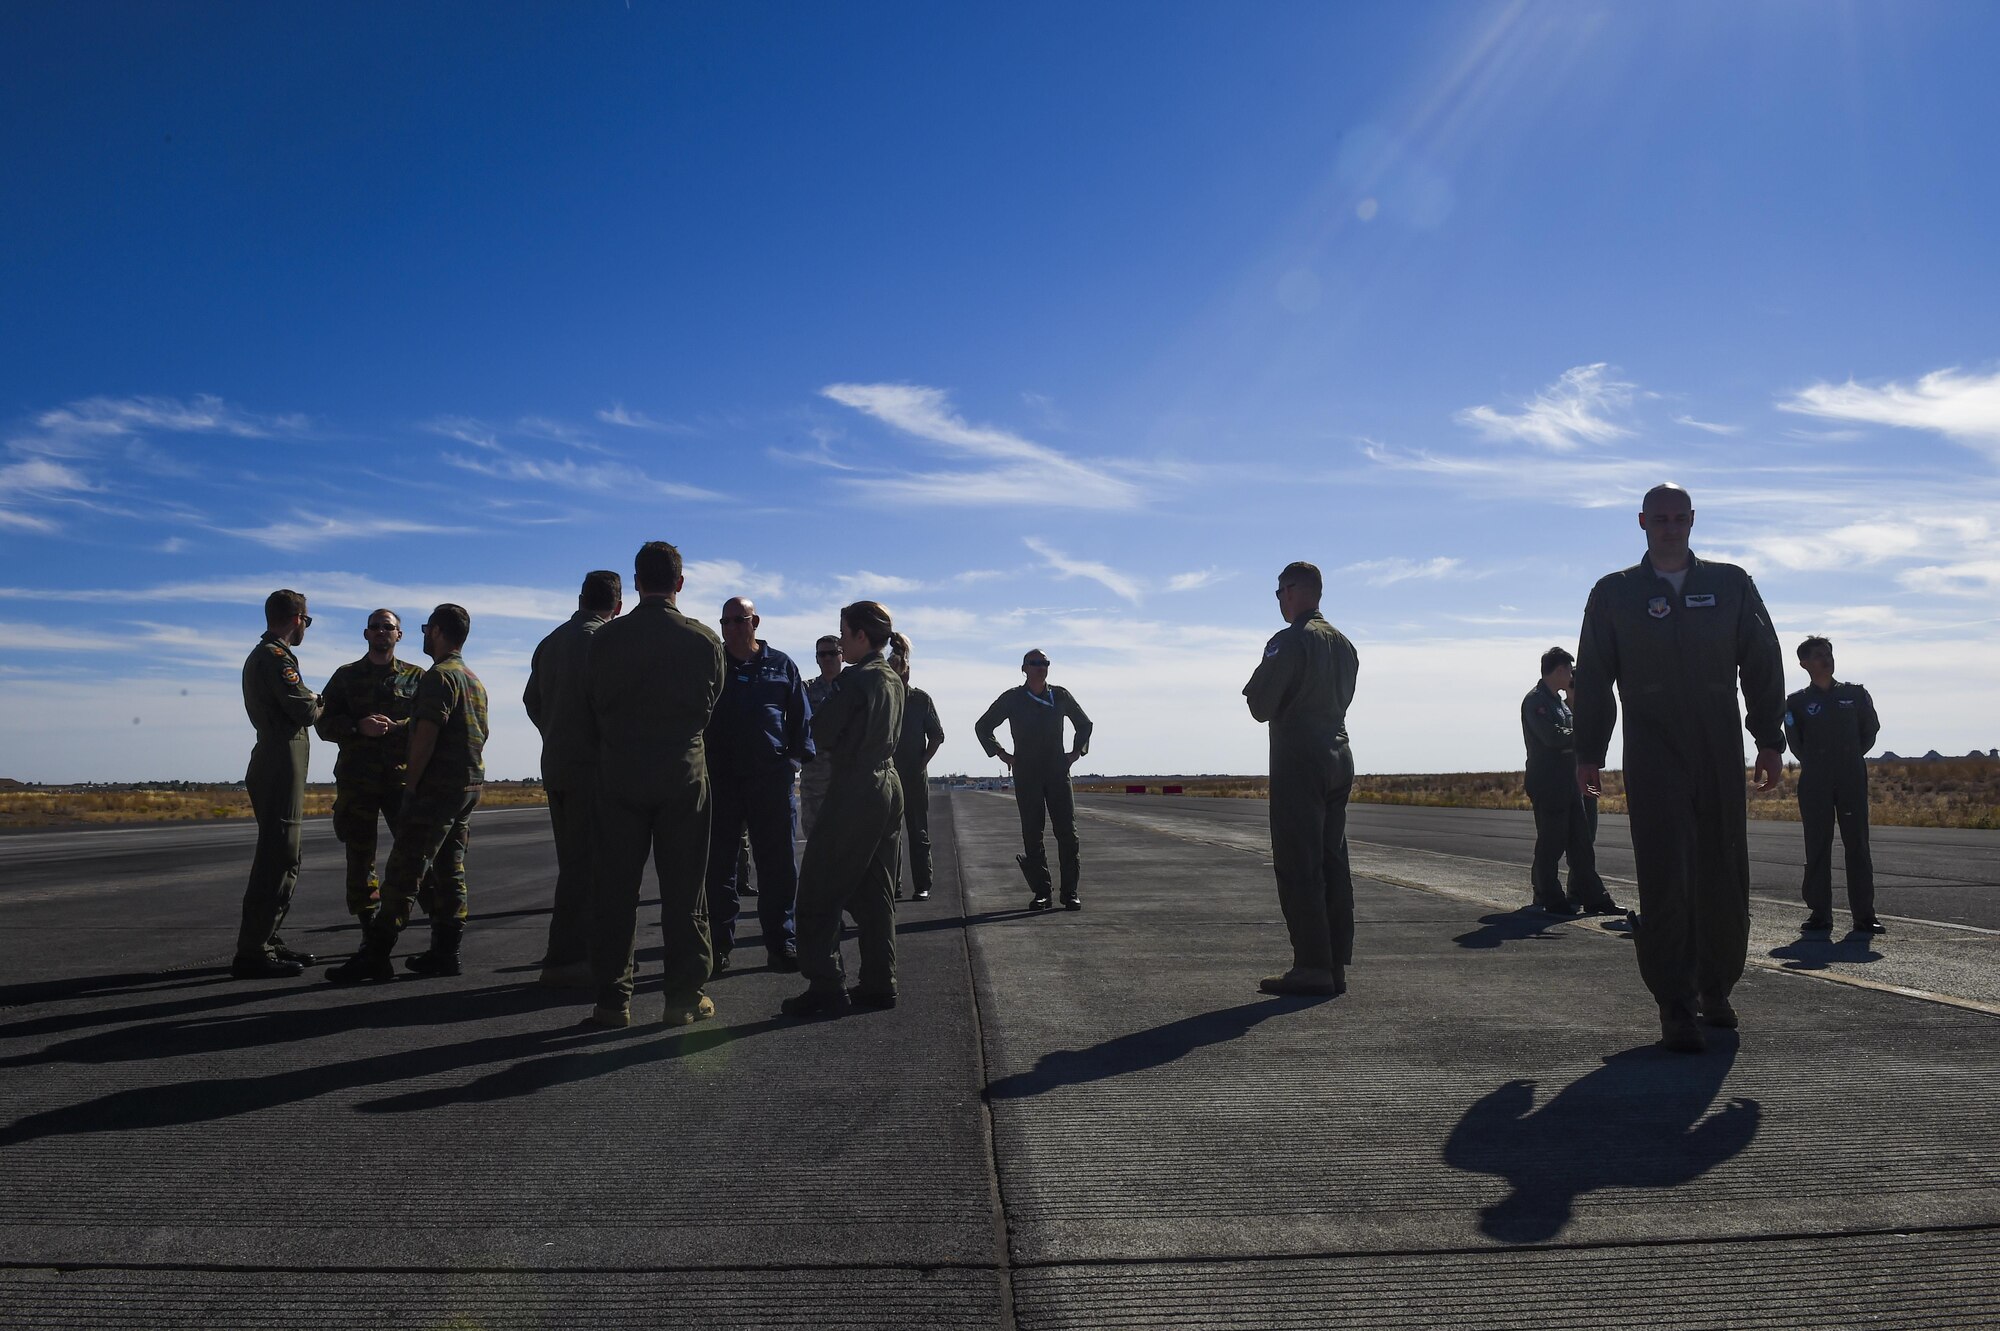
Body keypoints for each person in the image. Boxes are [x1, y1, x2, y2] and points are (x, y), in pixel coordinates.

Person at [1572, 483, 1786, 1053]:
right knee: (1666, 875)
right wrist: (1588, 752)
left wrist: (1769, 739)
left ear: (1693, 520)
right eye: (1660, 518)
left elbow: (1762, 661)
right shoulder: (1614, 593)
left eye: (1679, 518)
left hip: (1718, 748)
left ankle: (1716, 990)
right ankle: (1674, 1002)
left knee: (1724, 871)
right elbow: (1592, 677)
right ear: (1641, 522)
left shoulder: (1730, 584)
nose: (1670, 526)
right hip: (1653, 750)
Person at [577, 541, 726, 1028]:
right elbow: (710, 707)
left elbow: (592, 704)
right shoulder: (704, 641)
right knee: (684, 892)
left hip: (619, 775)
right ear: (679, 584)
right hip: (683, 775)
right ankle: (683, 996)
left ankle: (612, 1001)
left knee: (615, 891)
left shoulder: (605, 641)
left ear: (636, 582)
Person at [1243, 561, 1360, 997]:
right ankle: (1334, 963)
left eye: (1279, 593)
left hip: (1300, 759)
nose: (1278, 600)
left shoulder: (1289, 641)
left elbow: (1259, 704)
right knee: (1333, 860)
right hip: (1338, 753)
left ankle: (1311, 965)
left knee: (1299, 862)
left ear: (1294, 591)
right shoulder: (1344, 644)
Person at [784, 600, 905, 1018]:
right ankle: (879, 981)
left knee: (817, 889)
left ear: (859, 636)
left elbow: (822, 731)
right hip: (888, 784)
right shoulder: (891, 676)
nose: (838, 641)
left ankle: (826, 985)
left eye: (843, 632)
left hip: (855, 786)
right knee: (874, 891)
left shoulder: (858, 680)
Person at [522, 570, 622, 987]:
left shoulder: (551, 642)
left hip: (558, 767)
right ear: (617, 606)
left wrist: (556, 731)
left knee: (574, 863)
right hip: (594, 771)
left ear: (580, 599)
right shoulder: (607, 642)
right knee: (589, 868)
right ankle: (568, 958)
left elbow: (532, 701)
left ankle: (575, 955)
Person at [703, 596, 813, 975]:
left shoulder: (781, 665)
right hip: (721, 781)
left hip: (771, 780)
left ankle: (782, 942)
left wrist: (794, 761)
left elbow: (801, 716)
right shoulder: (711, 663)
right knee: (719, 868)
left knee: (779, 866)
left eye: (740, 620)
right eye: (726, 621)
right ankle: (717, 947)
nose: (732, 627)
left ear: (756, 622)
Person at [315, 609, 426, 931]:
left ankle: (410, 917)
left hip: (401, 779)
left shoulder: (416, 677)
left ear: (399, 635)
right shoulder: (345, 676)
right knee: (360, 855)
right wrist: (356, 727)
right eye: (375, 627)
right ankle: (368, 924)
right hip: (357, 780)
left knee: (413, 852)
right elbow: (323, 723)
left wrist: (397, 728)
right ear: (366, 634)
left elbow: (428, 722)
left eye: (387, 627)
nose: (381, 632)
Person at [233, 589, 324, 979]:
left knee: (285, 853)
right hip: (278, 759)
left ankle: (267, 938)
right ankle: (254, 949)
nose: (306, 627)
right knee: (279, 854)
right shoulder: (275, 657)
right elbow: (303, 709)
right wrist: (322, 699)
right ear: (297, 619)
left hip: (279, 759)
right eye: (307, 620)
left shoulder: (270, 656)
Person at [974, 650, 1093, 910]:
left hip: (1057, 772)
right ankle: (1042, 891)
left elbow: (1084, 724)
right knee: (1032, 833)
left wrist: (1075, 752)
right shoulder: (1013, 698)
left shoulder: (1060, 696)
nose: (1041, 668)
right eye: (1035, 664)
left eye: (1045, 663)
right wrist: (1002, 753)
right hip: (1027, 773)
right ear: (1024, 668)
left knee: (1067, 834)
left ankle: (1070, 892)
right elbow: (983, 726)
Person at [1785, 636, 1883, 934]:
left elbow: (1869, 731)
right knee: (1817, 846)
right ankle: (1820, 914)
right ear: (1804, 663)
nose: (1825, 659)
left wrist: (1848, 758)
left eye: (1828, 653)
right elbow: (1795, 742)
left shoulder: (1855, 694)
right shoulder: (1797, 701)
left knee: (1857, 846)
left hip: (1851, 778)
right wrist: (1820, 764)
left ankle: (1864, 916)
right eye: (1817, 655)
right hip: (1815, 781)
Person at [1521, 646, 1618, 916]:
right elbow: (1552, 737)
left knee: (1581, 842)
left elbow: (1569, 730)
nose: (1571, 678)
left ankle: (1593, 896)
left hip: (1568, 782)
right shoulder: (1536, 701)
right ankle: (1549, 895)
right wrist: (1582, 730)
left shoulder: (1559, 703)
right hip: (1548, 781)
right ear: (1560, 669)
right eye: (1568, 671)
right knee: (1552, 841)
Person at [887, 632, 946, 902]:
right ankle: (892, 884)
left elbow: (937, 735)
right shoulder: (885, 699)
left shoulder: (920, 700)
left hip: (913, 774)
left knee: (918, 831)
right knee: (889, 833)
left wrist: (923, 763)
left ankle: (923, 884)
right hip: (887, 774)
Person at [796, 635, 845, 843]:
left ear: (842, 656)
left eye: (832, 653)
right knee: (816, 842)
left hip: (847, 778)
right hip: (816, 779)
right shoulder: (806, 690)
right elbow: (801, 727)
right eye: (822, 654)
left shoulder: (854, 687)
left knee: (847, 844)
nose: (827, 658)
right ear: (816, 659)